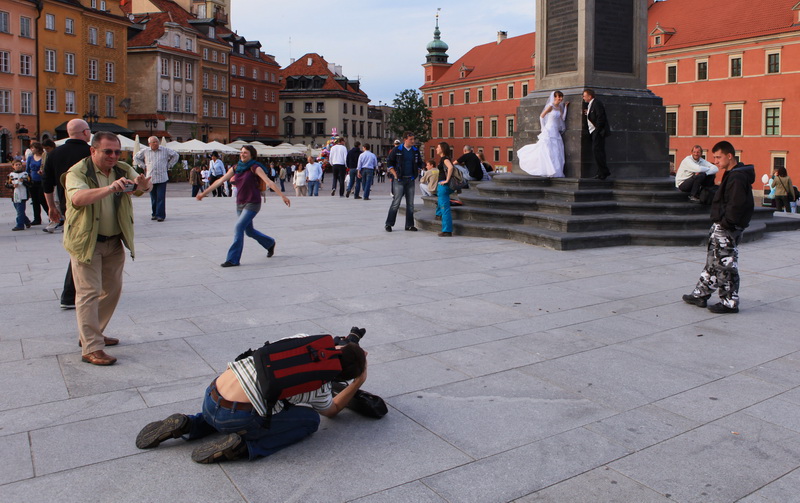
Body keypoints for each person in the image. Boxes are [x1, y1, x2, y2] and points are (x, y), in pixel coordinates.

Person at [134, 332, 367, 463]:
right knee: (310, 420)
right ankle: (244, 446)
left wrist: (344, 345)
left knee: (250, 397)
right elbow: (333, 410)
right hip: (236, 417)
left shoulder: (302, 338)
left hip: (212, 394)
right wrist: (359, 380)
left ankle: (189, 424)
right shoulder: (321, 385)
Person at [64, 131, 152, 365]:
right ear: (93, 151)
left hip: (114, 241)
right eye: (107, 151)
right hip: (87, 241)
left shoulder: (122, 167)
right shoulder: (78, 171)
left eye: (116, 151)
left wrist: (144, 184)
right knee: (88, 293)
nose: (113, 156)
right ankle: (91, 347)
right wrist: (110, 188)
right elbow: (78, 199)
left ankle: (91, 334)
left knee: (112, 290)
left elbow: (141, 185)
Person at [682, 141, 754, 314]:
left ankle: (729, 302)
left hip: (727, 227)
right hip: (723, 226)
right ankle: (701, 293)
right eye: (714, 157)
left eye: (718, 157)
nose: (715, 161)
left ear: (730, 156)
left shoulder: (737, 177)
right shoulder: (733, 173)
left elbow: (737, 204)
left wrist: (726, 223)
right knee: (713, 262)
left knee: (725, 264)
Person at [198, 145, 290, 267]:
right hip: (240, 203)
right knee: (249, 231)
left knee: (238, 227)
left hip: (253, 203)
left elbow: (269, 182)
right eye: (241, 152)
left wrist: (282, 196)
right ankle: (270, 243)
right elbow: (220, 181)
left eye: (245, 153)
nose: (242, 154)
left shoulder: (255, 167)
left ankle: (233, 259)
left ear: (252, 155)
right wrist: (204, 193)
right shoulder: (236, 168)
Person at [42, 119, 92, 309]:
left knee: (81, 247)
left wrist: (51, 207)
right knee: (82, 249)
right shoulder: (90, 152)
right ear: (85, 132)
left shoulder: (54, 153)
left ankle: (85, 289)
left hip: (66, 206)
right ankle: (70, 294)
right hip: (89, 204)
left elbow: (47, 183)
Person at [518, 91, 569, 178]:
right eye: (559, 97)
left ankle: (556, 171)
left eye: (561, 97)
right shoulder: (551, 106)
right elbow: (541, 116)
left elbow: (563, 118)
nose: (560, 98)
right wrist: (543, 128)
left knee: (556, 151)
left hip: (555, 131)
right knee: (548, 149)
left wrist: (566, 108)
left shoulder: (559, 107)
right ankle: (548, 170)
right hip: (549, 129)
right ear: (555, 97)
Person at [384, 131, 423, 232]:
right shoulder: (397, 150)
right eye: (411, 139)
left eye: (413, 139)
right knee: (396, 202)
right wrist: (395, 174)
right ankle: (389, 224)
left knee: (410, 204)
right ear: (405, 139)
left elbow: (419, 163)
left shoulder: (415, 151)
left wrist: (416, 172)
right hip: (399, 179)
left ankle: (409, 225)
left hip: (410, 179)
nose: (413, 141)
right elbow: (389, 162)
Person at [134, 136, 178, 221]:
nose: (156, 143)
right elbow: (136, 157)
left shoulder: (165, 150)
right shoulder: (145, 151)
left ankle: (160, 215)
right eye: (153, 142)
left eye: (157, 142)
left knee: (161, 197)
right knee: (153, 198)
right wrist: (143, 166)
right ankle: (154, 213)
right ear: (149, 144)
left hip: (162, 177)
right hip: (151, 178)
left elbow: (176, 155)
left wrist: (169, 165)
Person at [582, 88, 611, 180]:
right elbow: (594, 114)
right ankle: (601, 172)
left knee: (598, 151)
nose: (583, 98)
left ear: (589, 96)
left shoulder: (597, 103)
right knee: (597, 152)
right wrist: (588, 113)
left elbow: (600, 117)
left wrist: (597, 130)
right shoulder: (592, 104)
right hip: (594, 131)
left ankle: (604, 172)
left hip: (597, 131)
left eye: (584, 96)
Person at [25, 142, 49, 225]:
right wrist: (27, 178)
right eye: (31, 148)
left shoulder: (44, 156)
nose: (32, 149)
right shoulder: (30, 158)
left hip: (42, 180)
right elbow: (27, 169)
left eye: (33, 148)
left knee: (42, 199)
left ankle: (50, 215)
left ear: (38, 148)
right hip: (32, 181)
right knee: (35, 200)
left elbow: (46, 167)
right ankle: (37, 218)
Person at [436, 142, 456, 237]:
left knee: (445, 209)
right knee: (443, 207)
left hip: (443, 186)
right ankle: (438, 216)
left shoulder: (444, 159)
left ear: (442, 149)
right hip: (442, 186)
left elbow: (451, 167)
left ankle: (447, 230)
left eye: (438, 147)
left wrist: (446, 180)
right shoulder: (444, 158)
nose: (436, 149)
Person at [9, 160, 32, 231]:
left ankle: (20, 225)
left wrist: (24, 181)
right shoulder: (11, 175)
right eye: (16, 165)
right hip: (15, 195)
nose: (18, 166)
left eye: (19, 164)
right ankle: (27, 221)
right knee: (19, 211)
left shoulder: (25, 174)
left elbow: (30, 183)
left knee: (20, 210)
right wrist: (12, 185)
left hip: (23, 195)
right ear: (13, 166)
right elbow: (7, 184)